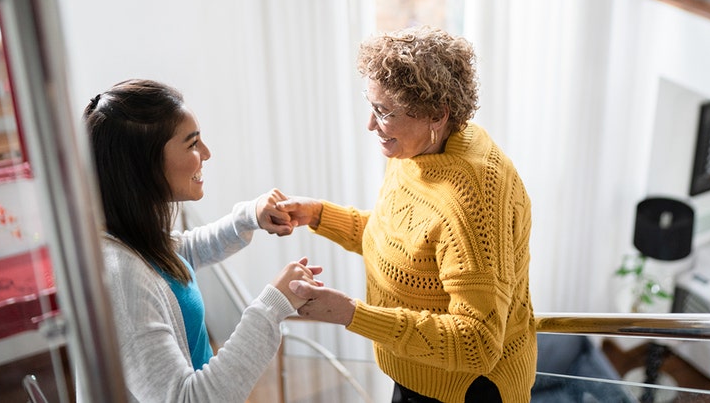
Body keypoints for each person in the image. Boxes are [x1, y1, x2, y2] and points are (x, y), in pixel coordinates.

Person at [261, 25, 537, 403]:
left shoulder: (473, 199)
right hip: (418, 370)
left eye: (383, 111)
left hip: (464, 390)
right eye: (370, 105)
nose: (370, 125)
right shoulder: (418, 151)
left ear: (437, 114)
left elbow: (478, 342)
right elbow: (400, 241)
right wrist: (319, 215)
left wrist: (352, 314)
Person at [83, 78, 322, 402]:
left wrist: (250, 215)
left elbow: (183, 252)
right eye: (193, 144)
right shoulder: (122, 279)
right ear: (145, 164)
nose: (207, 153)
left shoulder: (132, 238)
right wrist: (272, 306)